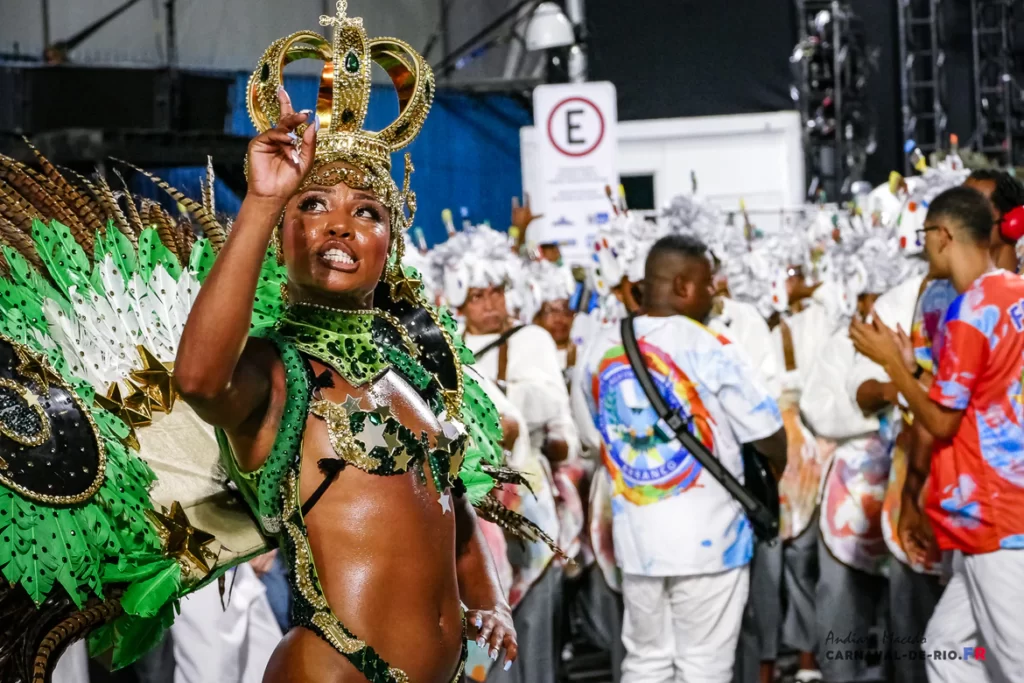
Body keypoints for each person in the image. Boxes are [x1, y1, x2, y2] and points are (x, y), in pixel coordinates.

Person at [172, 3, 556, 681]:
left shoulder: (410, 371)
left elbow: (456, 516)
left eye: (367, 211)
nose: (341, 225)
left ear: (391, 244)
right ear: (282, 234)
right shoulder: (276, 371)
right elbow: (200, 378)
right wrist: (262, 200)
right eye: (313, 205)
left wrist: (490, 598)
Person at [579, 234, 787, 683]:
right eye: (709, 283)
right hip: (711, 542)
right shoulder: (713, 347)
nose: (716, 293)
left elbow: (597, 425)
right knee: (704, 666)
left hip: (637, 540)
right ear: (682, 286)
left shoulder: (598, 347)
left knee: (645, 662)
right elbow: (769, 434)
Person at [850, 186, 1024, 683]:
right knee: (945, 648)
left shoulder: (969, 313)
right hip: (995, 508)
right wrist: (911, 369)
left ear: (944, 235)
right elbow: (971, 397)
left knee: (1014, 664)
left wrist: (891, 367)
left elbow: (943, 420)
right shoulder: (1014, 293)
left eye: (925, 234)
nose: (924, 245)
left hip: (995, 512)